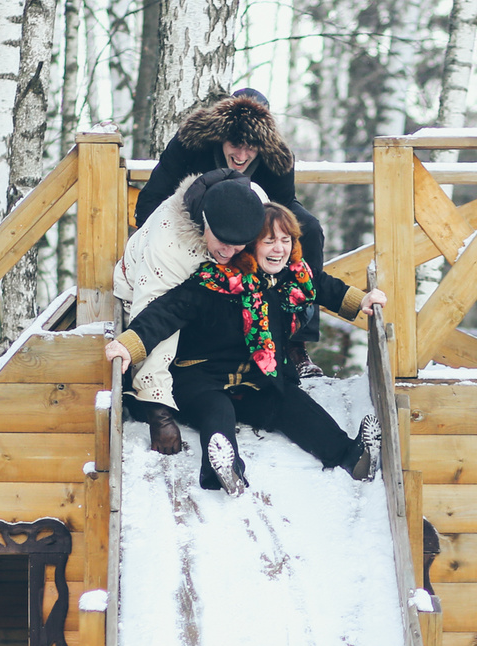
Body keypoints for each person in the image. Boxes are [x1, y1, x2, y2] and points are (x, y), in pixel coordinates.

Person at [106, 202, 386, 497]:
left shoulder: (294, 277)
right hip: (202, 380)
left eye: (285, 240)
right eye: (269, 241)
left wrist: (361, 300)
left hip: (256, 382)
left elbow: (326, 287)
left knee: (292, 403)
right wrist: (128, 345)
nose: (279, 249)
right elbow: (163, 314)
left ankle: (352, 457)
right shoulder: (213, 282)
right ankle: (224, 469)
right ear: (251, 245)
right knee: (218, 411)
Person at [135, 88, 327, 378]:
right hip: (188, 222)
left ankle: (295, 341)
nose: (241, 155)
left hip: (252, 222)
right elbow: (153, 196)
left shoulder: (277, 157)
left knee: (308, 229)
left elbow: (284, 208)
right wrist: (159, 238)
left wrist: (272, 242)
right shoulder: (192, 143)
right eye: (235, 145)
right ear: (220, 135)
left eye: (251, 147)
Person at [114, 168, 267, 456]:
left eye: (239, 245)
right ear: (205, 223)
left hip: (204, 292)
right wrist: (158, 413)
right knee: (168, 322)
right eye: (223, 241)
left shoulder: (254, 201)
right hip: (148, 293)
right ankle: (146, 397)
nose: (231, 251)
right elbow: (155, 316)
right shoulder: (168, 244)